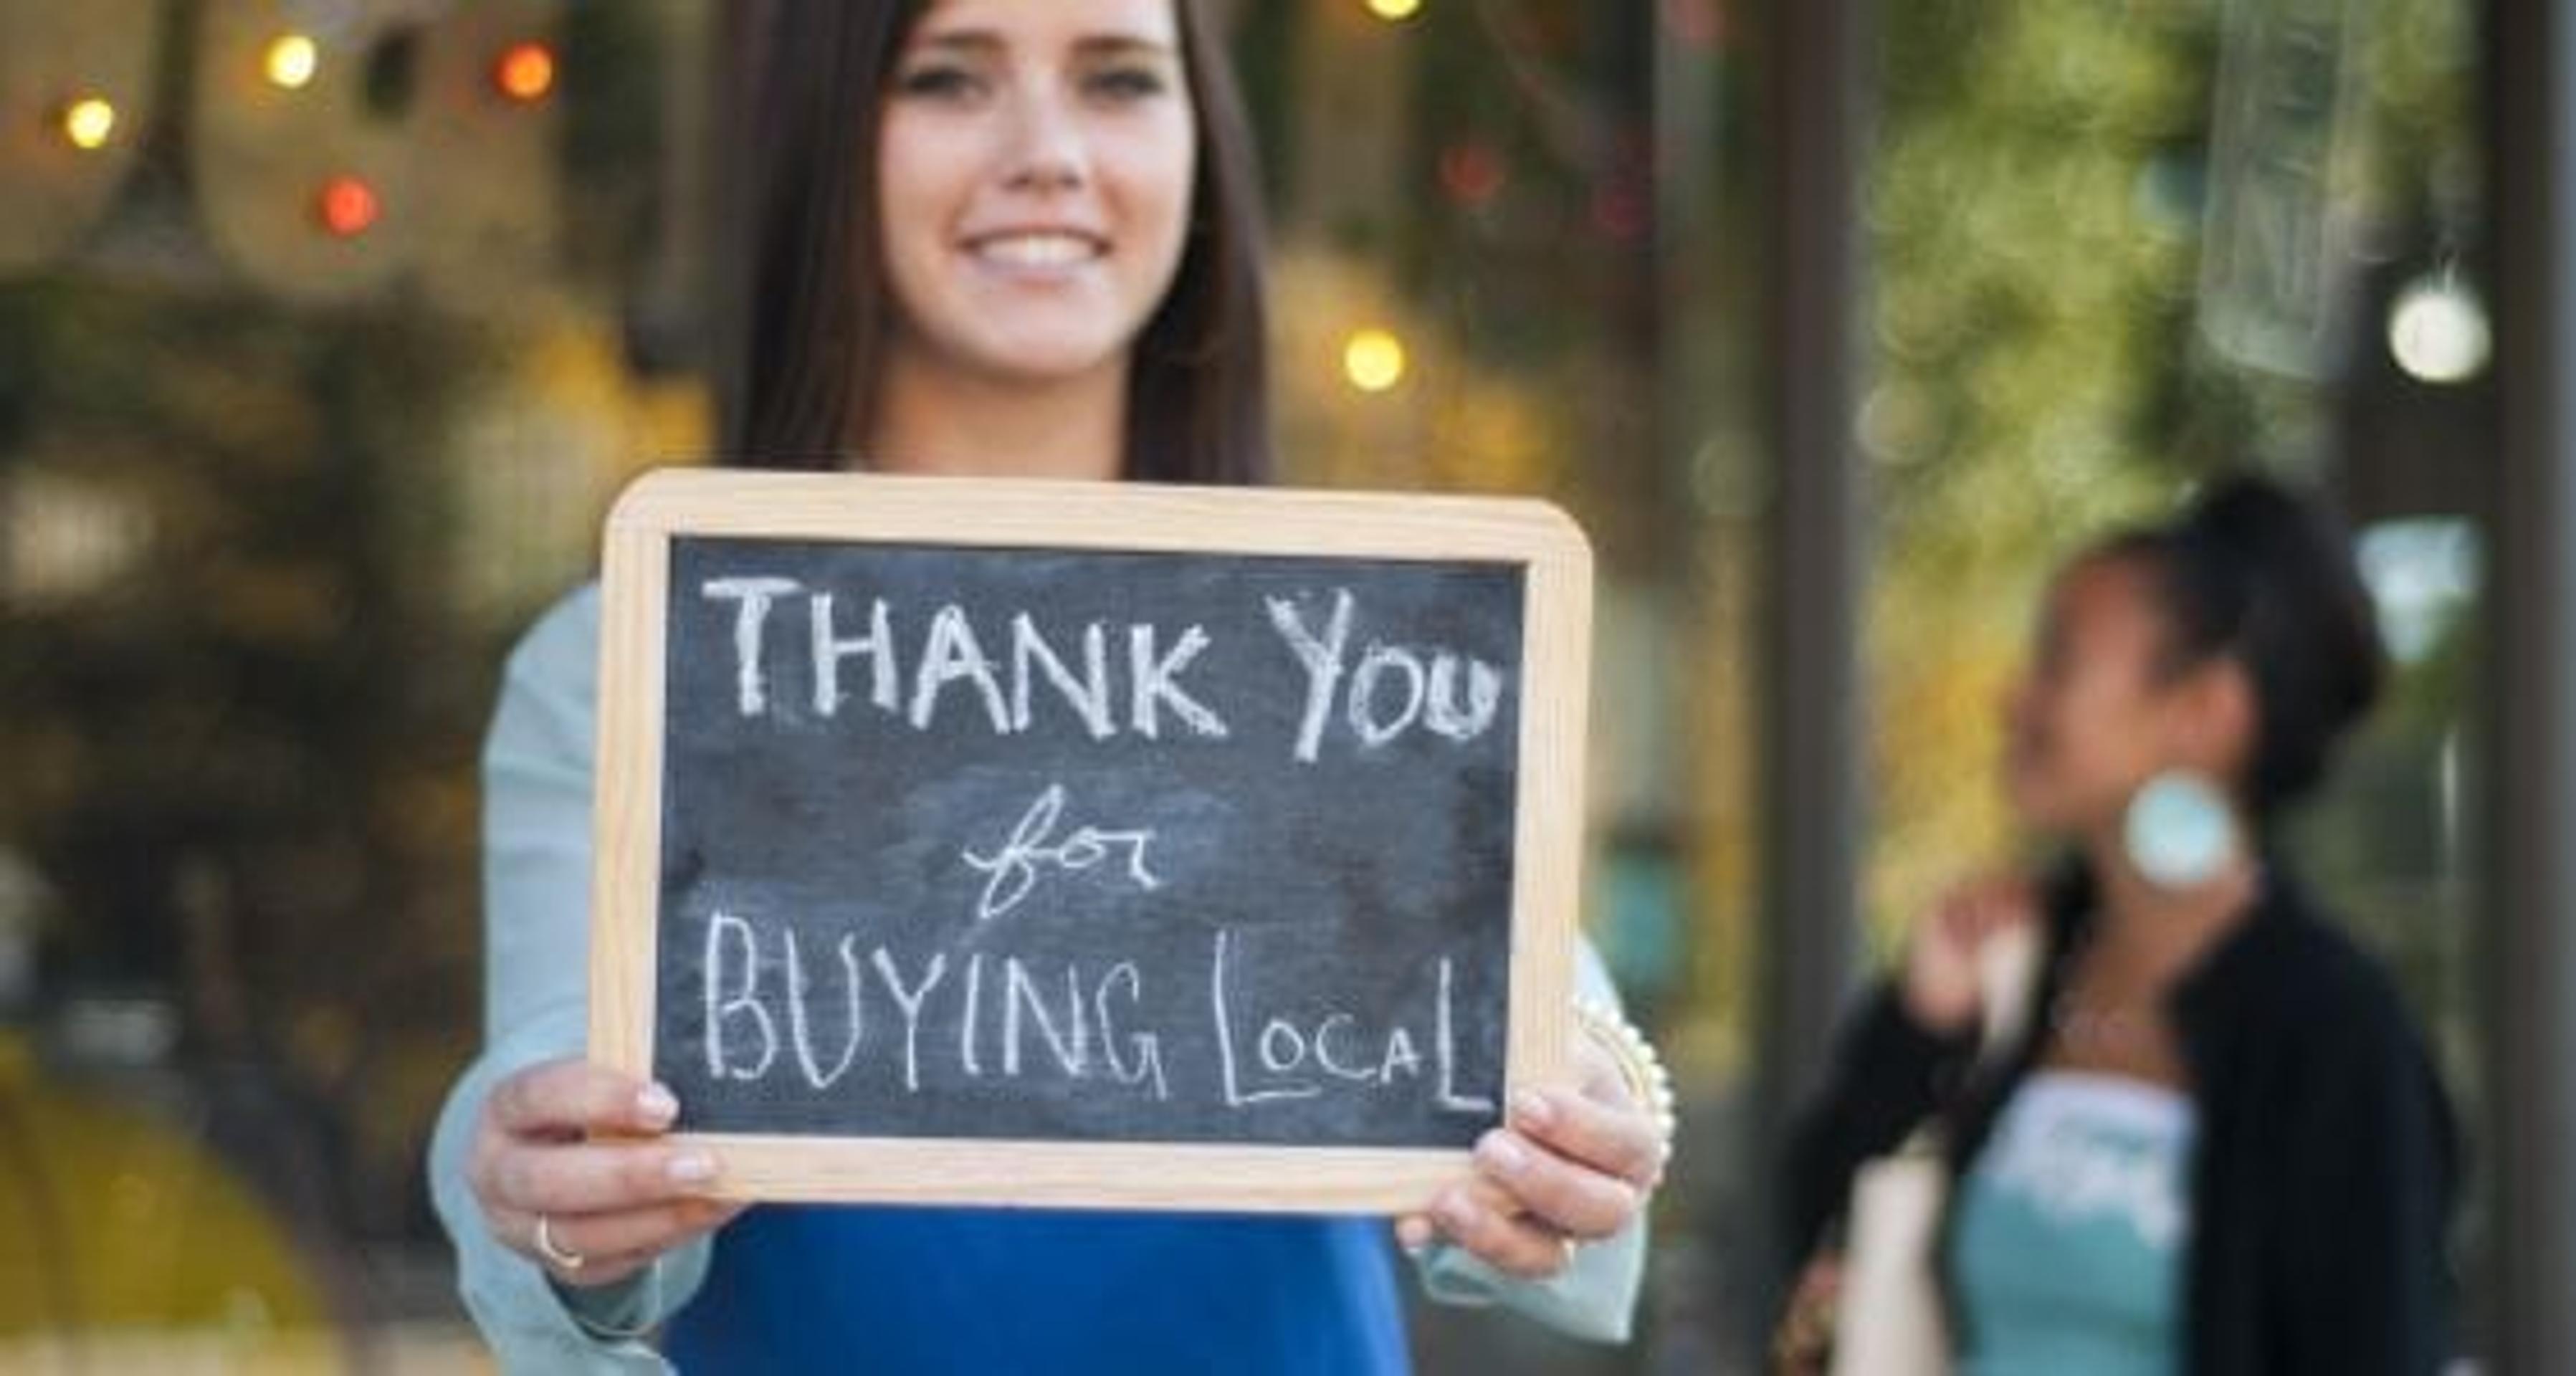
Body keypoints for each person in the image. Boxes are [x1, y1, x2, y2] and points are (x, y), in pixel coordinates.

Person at [425, 1, 1670, 1370]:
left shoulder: (1348, 640)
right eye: (951, 78)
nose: (1047, 152)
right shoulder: (642, 655)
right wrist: (544, 1185)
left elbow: (1548, 1057)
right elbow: (549, 1116)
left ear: (1202, 151)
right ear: (835, 143)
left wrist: (1592, 1111)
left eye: (1118, 79)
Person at [1773, 476, 2457, 1375]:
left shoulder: (2333, 1027)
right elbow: (1814, 1236)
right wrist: (1921, 1028)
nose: (2013, 699)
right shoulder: (2023, 965)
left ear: (2204, 712)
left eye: (2059, 660)